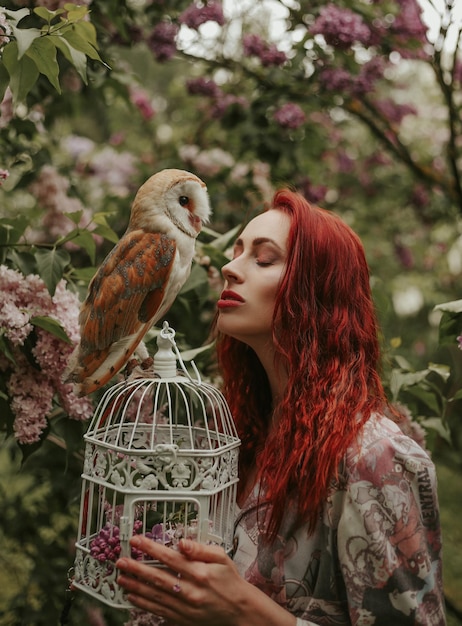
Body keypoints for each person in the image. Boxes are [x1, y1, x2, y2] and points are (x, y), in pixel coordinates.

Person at [116, 189, 446, 625]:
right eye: (235, 254)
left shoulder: (375, 458)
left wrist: (246, 613)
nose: (230, 270)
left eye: (264, 259)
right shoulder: (242, 434)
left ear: (315, 291)